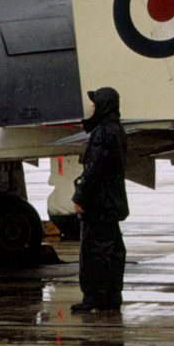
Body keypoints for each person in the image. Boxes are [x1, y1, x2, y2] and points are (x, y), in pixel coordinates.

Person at [71, 87, 129, 312]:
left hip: (99, 204)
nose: (92, 107)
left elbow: (94, 169)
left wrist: (80, 197)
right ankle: (112, 296)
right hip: (112, 201)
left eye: (95, 103)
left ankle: (95, 298)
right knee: (113, 250)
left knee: (95, 251)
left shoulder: (102, 132)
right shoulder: (117, 130)